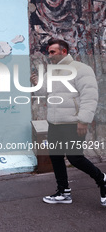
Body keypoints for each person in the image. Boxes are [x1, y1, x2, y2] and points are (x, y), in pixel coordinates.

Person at [30, 38, 106, 206]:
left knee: (75, 158)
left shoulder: (81, 69)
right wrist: (37, 84)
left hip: (74, 123)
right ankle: (63, 192)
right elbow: (46, 93)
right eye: (48, 52)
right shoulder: (52, 71)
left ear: (63, 52)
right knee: (56, 156)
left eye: (52, 52)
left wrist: (84, 120)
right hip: (55, 123)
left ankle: (102, 180)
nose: (49, 56)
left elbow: (90, 96)